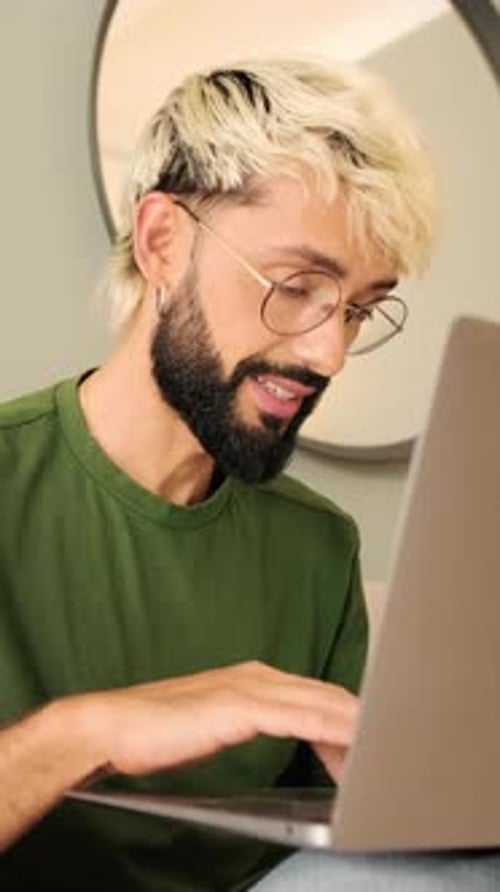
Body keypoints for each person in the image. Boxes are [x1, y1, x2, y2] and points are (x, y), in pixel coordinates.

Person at [0, 55, 442, 889]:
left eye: (358, 307)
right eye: (299, 285)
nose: (330, 352)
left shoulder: (315, 546)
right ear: (163, 242)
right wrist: (87, 733)